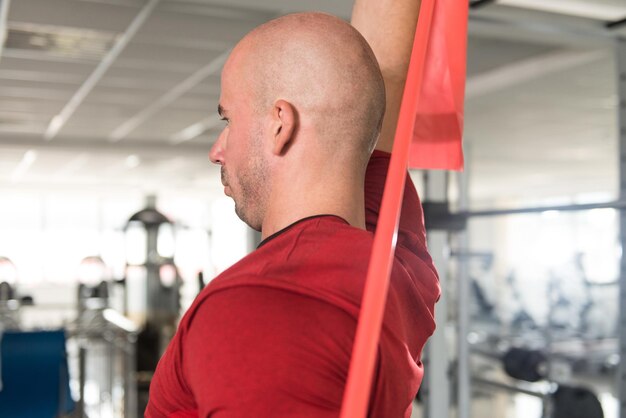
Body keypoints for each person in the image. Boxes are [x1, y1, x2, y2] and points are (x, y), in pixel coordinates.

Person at [146, 0, 439, 416]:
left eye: (228, 120)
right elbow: (383, 76)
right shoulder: (397, 254)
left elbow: (384, 77)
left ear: (280, 124)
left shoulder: (260, 304)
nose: (216, 151)